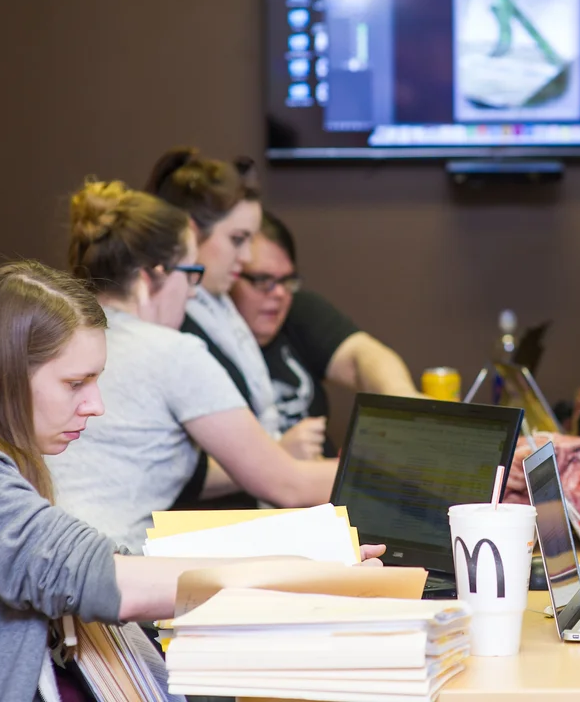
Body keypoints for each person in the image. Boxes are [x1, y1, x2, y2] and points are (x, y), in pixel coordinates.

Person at [0, 260, 385, 701]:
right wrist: (311, 572)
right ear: (1, 376)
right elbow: (115, 585)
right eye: (75, 383)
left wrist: (308, 562)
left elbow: (107, 561)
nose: (95, 405)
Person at [47, 181, 337, 550]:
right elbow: (289, 486)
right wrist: (393, 477)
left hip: (45, 553)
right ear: (153, 275)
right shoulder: (173, 352)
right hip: (104, 567)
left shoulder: (61, 337)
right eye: (190, 273)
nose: (194, 291)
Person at [145, 147, 325, 460]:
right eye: (237, 239)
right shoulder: (170, 321)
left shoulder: (218, 307)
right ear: (190, 231)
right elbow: (172, 470)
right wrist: (278, 455)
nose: (245, 258)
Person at [230, 210, 419, 442]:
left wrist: (403, 399)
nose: (279, 293)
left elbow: (362, 355)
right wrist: (280, 453)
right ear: (231, 275)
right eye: (262, 280)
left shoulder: (297, 309)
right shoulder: (204, 341)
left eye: (286, 281)